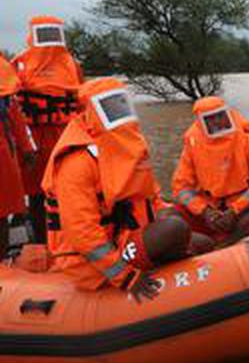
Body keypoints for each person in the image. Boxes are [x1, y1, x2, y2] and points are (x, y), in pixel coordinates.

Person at [44, 78, 207, 300]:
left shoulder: (124, 146)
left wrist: (164, 211)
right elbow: (82, 234)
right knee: (175, 229)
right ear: (91, 112)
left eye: (122, 104)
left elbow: (150, 196)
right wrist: (125, 276)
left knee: (200, 240)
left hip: (124, 235)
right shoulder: (77, 162)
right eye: (110, 107)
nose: (119, 111)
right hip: (87, 261)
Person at [14, 15, 84, 244]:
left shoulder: (71, 64)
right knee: (37, 191)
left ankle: (65, 239)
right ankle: (43, 241)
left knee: (66, 186)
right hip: (38, 136)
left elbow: (82, 99)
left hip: (64, 133)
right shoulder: (20, 64)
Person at [172, 97, 249, 244]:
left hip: (241, 209)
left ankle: (227, 243)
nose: (217, 121)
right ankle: (200, 244)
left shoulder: (247, 140)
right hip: (208, 210)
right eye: (210, 118)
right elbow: (181, 187)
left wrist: (234, 211)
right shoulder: (193, 144)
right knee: (168, 216)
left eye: (220, 115)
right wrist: (204, 211)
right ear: (200, 122)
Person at [0, 53, 36, 256]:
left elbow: (17, 120)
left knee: (2, 215)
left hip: (4, 154)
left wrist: (27, 149)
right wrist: (27, 149)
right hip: (4, 154)